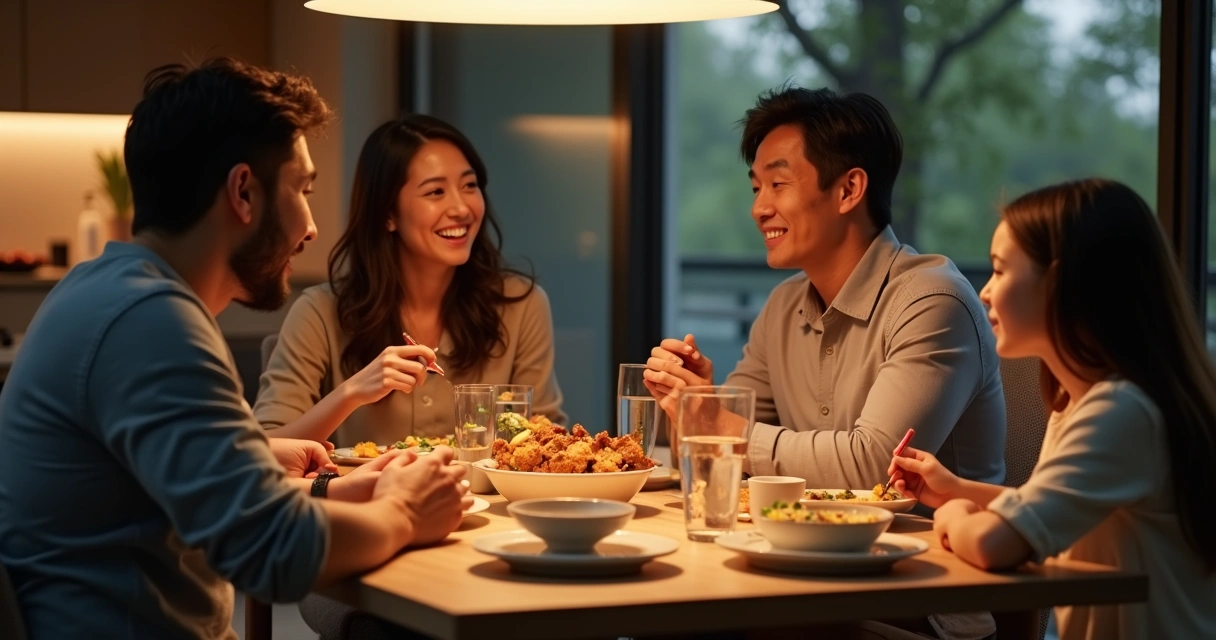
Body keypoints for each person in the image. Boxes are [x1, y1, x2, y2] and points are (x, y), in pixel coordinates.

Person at [0, 58, 470, 640]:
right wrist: (403, 511)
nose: (311, 227)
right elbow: (272, 553)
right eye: (302, 190)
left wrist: (325, 484)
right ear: (244, 192)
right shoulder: (150, 321)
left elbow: (175, 480)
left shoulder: (107, 289)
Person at [888, 179, 1216, 639]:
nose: (984, 292)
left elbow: (991, 545)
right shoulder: (1080, 404)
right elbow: (1050, 508)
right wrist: (955, 489)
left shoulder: (1119, 413)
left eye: (1000, 271)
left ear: (1059, 283)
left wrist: (952, 513)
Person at [645, 85, 1006, 491]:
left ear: (848, 190)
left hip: (931, 532)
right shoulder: (783, 307)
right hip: (801, 531)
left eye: (778, 184)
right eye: (756, 188)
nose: (759, 208)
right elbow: (723, 468)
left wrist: (720, 424)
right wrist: (696, 403)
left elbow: (876, 467)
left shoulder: (932, 302)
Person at [254, 113, 565, 447]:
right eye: (436, 192)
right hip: (363, 484)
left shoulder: (521, 305)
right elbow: (264, 450)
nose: (461, 208)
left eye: (469, 186)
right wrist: (352, 392)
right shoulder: (320, 312)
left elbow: (545, 441)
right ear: (388, 214)